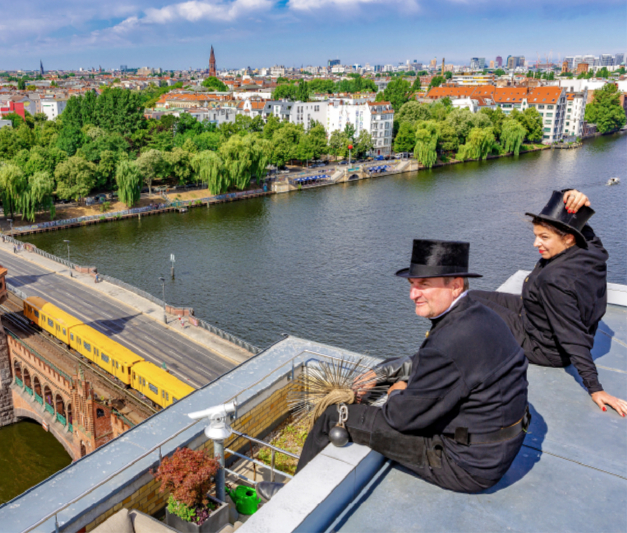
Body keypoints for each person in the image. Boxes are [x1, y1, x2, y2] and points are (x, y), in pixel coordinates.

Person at [269, 240, 529, 496]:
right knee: (394, 367)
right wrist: (384, 372)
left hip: (464, 464)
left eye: (424, 285)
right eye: (412, 285)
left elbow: (399, 417)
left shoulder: (448, 341)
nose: (413, 295)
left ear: (455, 285)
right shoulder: (480, 315)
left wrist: (396, 390)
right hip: (497, 446)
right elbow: (435, 363)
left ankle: (292, 495)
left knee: (334, 416)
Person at [470, 189, 627, 417]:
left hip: (541, 345)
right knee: (469, 296)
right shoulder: (592, 251)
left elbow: (572, 336)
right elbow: (586, 231)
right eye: (536, 235)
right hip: (536, 311)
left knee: (465, 307)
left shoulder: (554, 281)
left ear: (569, 238)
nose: (536, 243)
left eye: (544, 237)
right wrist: (574, 199)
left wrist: (595, 388)